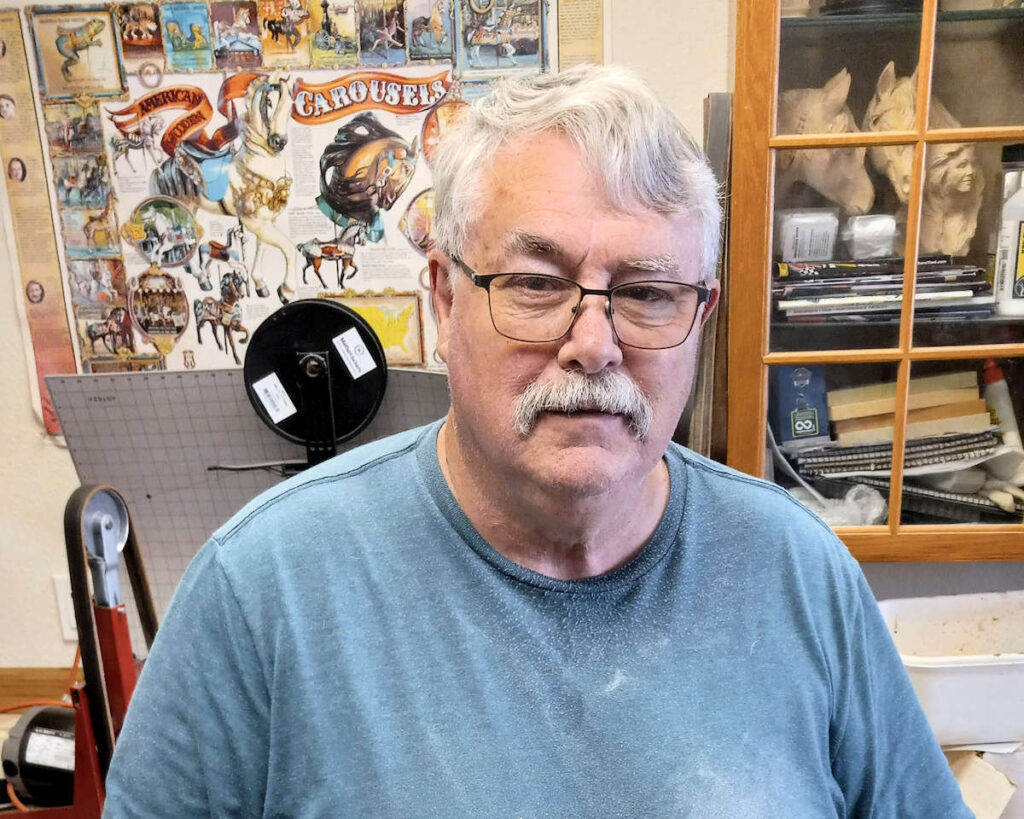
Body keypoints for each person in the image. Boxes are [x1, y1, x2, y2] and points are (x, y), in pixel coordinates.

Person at [103, 65, 971, 816]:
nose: (594, 344)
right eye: (535, 283)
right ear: (445, 300)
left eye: (648, 292)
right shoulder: (261, 594)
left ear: (701, 317)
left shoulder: (800, 574)